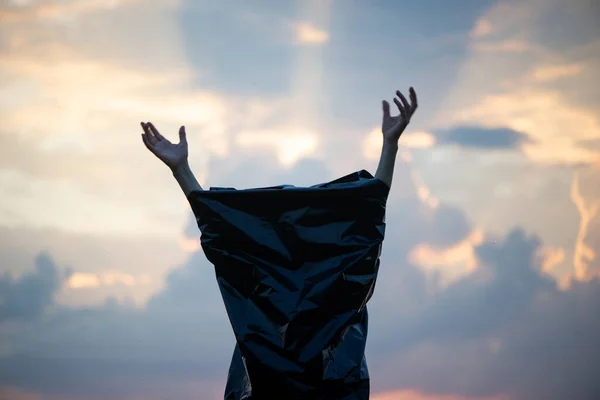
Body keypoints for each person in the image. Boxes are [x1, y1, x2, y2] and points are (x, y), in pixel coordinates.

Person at [140, 87, 418, 399]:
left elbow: (224, 231)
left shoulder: (298, 293)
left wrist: (182, 171)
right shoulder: (325, 290)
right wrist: (181, 170)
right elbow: (366, 217)